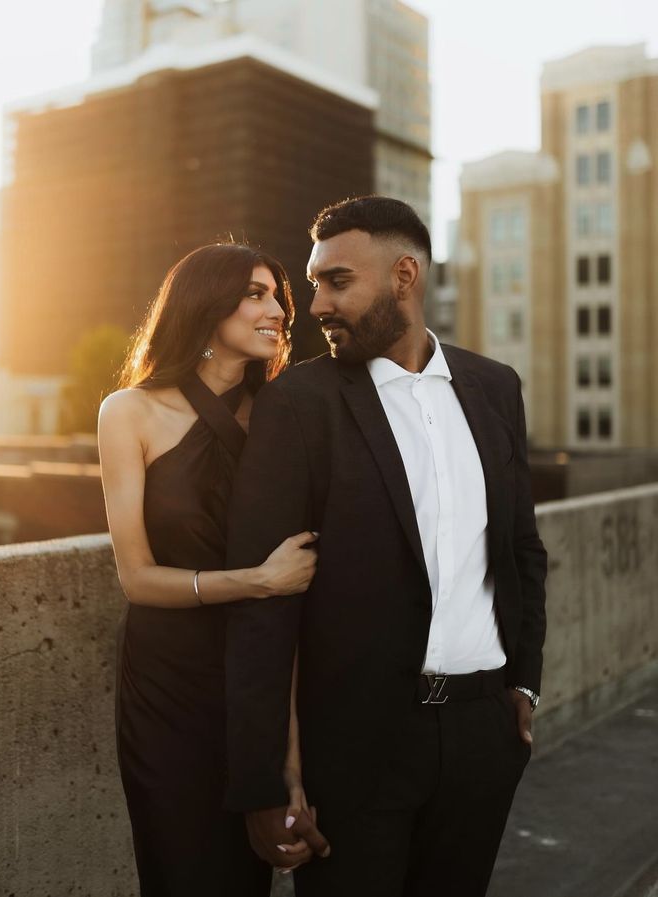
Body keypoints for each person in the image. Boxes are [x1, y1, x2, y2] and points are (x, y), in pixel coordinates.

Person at [223, 196, 548, 896]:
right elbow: (261, 604)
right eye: (313, 284)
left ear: (404, 275)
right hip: (353, 751)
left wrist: (523, 684)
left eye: (336, 280)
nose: (314, 304)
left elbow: (521, 546)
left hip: (480, 736)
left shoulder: (495, 388)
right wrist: (261, 780)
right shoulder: (297, 403)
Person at [97, 243, 323, 896]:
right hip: (165, 687)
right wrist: (258, 579)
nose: (277, 308)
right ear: (204, 304)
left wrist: (290, 757)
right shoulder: (128, 413)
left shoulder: (288, 417)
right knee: (181, 870)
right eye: (255, 293)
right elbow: (136, 577)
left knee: (248, 875)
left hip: (261, 675)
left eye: (276, 294)